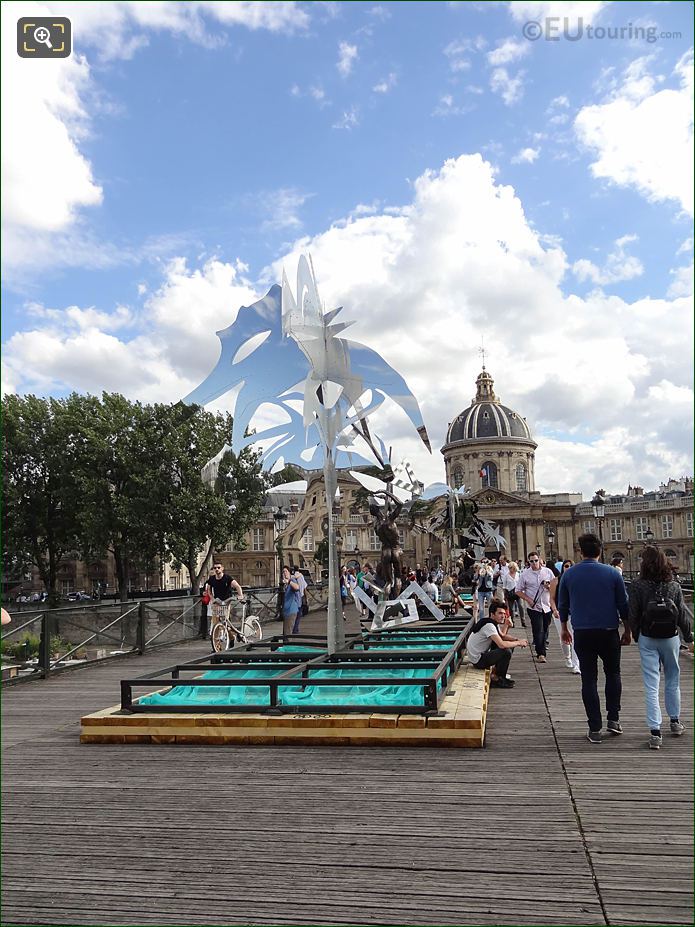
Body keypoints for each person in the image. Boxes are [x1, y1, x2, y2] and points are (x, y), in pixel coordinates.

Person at [558, 533, 630, 744]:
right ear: (600, 551)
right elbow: (623, 604)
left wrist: (564, 628)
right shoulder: (612, 573)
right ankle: (614, 719)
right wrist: (627, 629)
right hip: (608, 631)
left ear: (580, 551)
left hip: (582, 632)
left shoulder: (570, 575)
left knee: (588, 679)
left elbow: (563, 605)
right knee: (613, 673)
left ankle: (594, 727)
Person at [628, 546, 693, 750]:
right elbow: (682, 614)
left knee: (651, 684)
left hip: (648, 637)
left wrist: (637, 634)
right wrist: (688, 636)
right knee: (672, 680)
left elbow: (633, 613)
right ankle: (674, 721)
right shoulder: (672, 585)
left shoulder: (637, 586)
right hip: (670, 638)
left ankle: (655, 731)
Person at [466, 600, 528, 689]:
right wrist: (518, 643)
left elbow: (502, 636)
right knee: (506, 651)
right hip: (478, 660)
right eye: (500, 613)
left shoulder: (491, 622)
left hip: (479, 656)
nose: (503, 616)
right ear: (492, 614)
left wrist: (517, 639)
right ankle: (499, 679)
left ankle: (496, 674)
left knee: (510, 646)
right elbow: (502, 644)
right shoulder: (489, 626)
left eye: (504, 613)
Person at [516, 553, 558, 662]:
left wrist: (548, 586)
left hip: (547, 605)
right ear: (528, 562)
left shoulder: (547, 571)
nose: (534, 563)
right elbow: (518, 590)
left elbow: (555, 586)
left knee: (545, 628)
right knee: (538, 629)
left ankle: (542, 646)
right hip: (534, 607)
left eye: (535, 560)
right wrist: (528, 599)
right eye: (531, 561)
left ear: (539, 560)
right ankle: (541, 653)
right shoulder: (525, 574)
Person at [552, 560, 580, 673]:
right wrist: (554, 609)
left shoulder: (577, 581)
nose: (568, 568)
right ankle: (567, 657)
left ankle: (576, 664)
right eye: (566, 566)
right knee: (563, 638)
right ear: (562, 567)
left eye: (570, 566)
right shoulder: (556, 580)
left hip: (573, 612)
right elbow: (551, 598)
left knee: (574, 638)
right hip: (559, 612)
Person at [205, 561, 244, 631]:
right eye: (215, 568)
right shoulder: (212, 579)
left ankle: (231, 636)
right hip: (217, 601)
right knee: (215, 621)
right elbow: (209, 590)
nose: (217, 569)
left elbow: (237, 586)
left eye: (218, 567)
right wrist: (212, 598)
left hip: (227, 600)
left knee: (225, 620)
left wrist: (240, 595)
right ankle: (216, 639)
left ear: (222, 568)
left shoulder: (227, 578)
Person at [281, 566, 302, 637]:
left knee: (287, 634)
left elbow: (297, 587)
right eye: (283, 572)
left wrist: (289, 581)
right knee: (285, 633)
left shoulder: (292, 581)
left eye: (286, 571)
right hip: (286, 611)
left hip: (291, 610)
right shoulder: (285, 584)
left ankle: (288, 646)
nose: (284, 573)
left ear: (289, 573)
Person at [292, 568, 308, 635]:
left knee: (294, 614)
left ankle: (293, 629)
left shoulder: (292, 577)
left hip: (294, 597)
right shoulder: (301, 577)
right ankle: (295, 629)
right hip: (301, 597)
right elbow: (304, 587)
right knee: (298, 615)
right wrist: (306, 598)